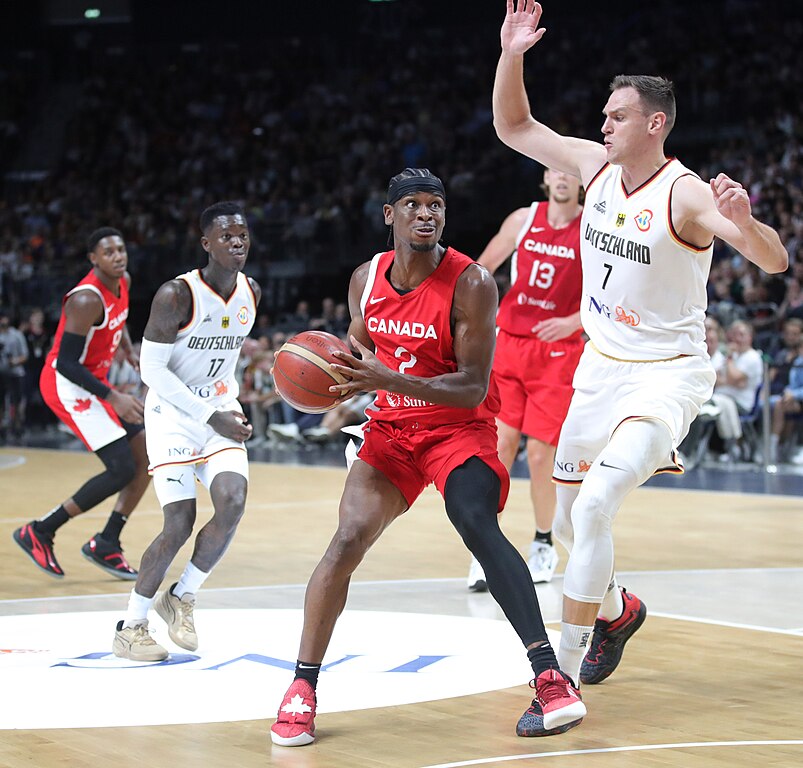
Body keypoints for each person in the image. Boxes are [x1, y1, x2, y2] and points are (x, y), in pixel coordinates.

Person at [493, 0, 787, 695]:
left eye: (616, 114)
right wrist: (511, 53)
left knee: (593, 508)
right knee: (566, 519)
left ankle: (556, 677)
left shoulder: (684, 194)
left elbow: (770, 261)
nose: (602, 123)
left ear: (654, 123)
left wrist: (745, 224)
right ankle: (618, 609)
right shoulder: (591, 165)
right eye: (603, 114)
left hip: (667, 376)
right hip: (599, 369)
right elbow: (513, 125)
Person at [269, 168, 586, 748]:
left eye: (435, 205)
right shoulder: (365, 278)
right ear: (389, 215)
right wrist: (333, 378)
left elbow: (469, 386)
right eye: (412, 204)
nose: (425, 214)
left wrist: (385, 376)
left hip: (456, 428)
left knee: (476, 522)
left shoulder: (472, 282)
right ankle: (301, 688)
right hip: (390, 429)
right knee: (347, 538)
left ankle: (550, 678)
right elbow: (360, 344)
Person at [111, 201, 260, 662]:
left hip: (217, 409)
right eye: (227, 237)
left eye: (243, 236)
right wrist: (207, 414)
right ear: (206, 244)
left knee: (232, 502)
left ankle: (182, 596)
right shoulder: (176, 295)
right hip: (173, 416)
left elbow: (226, 360)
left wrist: (229, 406)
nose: (237, 243)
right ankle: (131, 627)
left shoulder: (251, 290)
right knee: (179, 523)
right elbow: (151, 369)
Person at [467, 167, 583, 592]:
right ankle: (486, 550)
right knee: (498, 448)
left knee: (540, 456)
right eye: (557, 170)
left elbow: (615, 288)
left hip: (556, 354)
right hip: (511, 344)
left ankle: (543, 543)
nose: (564, 177)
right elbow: (479, 270)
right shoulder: (522, 220)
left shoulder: (592, 227)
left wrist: (574, 321)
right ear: (546, 178)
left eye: (573, 171)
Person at [13, 228, 149, 580]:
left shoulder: (125, 281)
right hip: (67, 385)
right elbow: (67, 364)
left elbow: (119, 321)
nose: (118, 256)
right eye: (108, 252)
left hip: (96, 381)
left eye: (121, 249)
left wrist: (126, 347)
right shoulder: (86, 299)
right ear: (93, 258)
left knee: (144, 457)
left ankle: (107, 542)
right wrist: (114, 397)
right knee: (121, 468)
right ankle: (41, 531)